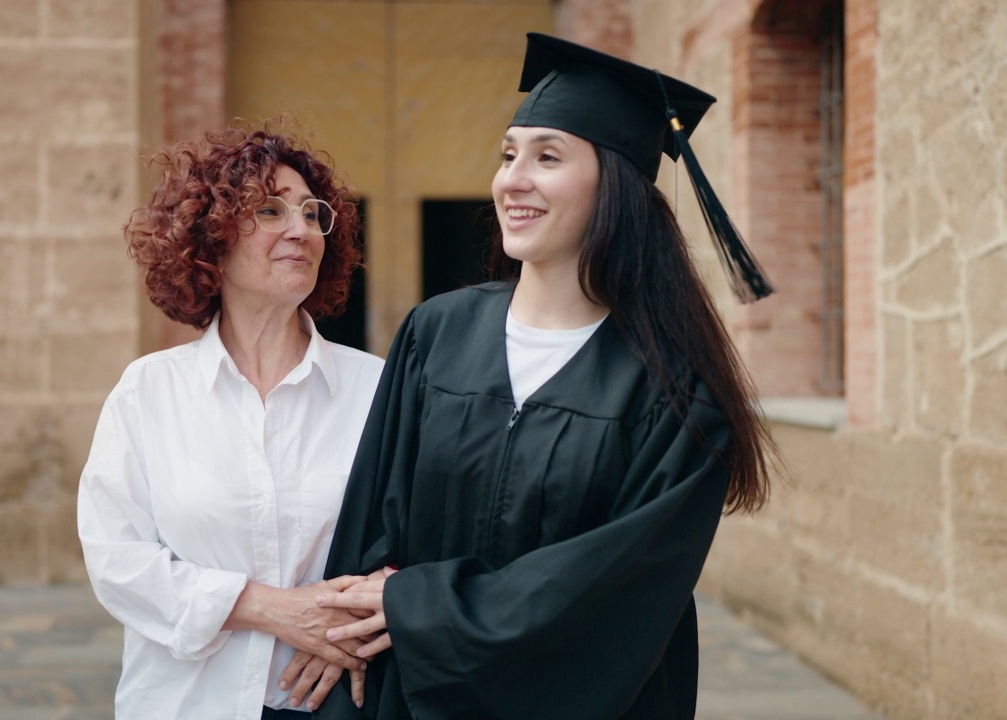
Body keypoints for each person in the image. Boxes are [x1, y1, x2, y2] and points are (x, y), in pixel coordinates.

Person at [311, 33, 779, 719]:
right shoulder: (434, 335)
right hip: (409, 693)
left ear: (615, 183)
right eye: (508, 155)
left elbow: (611, 592)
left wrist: (413, 604)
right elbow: (373, 521)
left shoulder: (674, 386)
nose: (512, 180)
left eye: (547, 157)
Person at [77, 126, 384, 719]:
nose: (300, 229)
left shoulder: (376, 388)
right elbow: (118, 561)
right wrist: (272, 609)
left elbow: (425, 541)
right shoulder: (148, 392)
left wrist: (351, 623)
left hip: (337, 703)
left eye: (311, 213)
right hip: (189, 702)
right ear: (210, 238)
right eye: (270, 210)